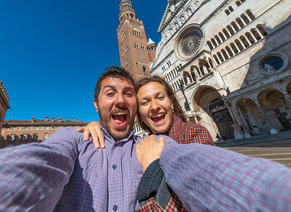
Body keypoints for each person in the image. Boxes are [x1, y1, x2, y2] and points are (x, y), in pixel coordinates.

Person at [0, 66, 291, 211]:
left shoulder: (152, 146)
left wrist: (290, 196)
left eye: (129, 93)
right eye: (110, 93)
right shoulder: (73, 139)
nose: (122, 99)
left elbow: (204, 169)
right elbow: (36, 164)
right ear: (96, 105)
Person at [81, 75, 215, 210]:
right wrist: (98, 128)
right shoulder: (141, 145)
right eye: (145, 103)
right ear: (139, 115)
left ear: (172, 104)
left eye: (160, 97)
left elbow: (205, 192)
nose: (154, 107)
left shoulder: (192, 132)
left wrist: (152, 168)